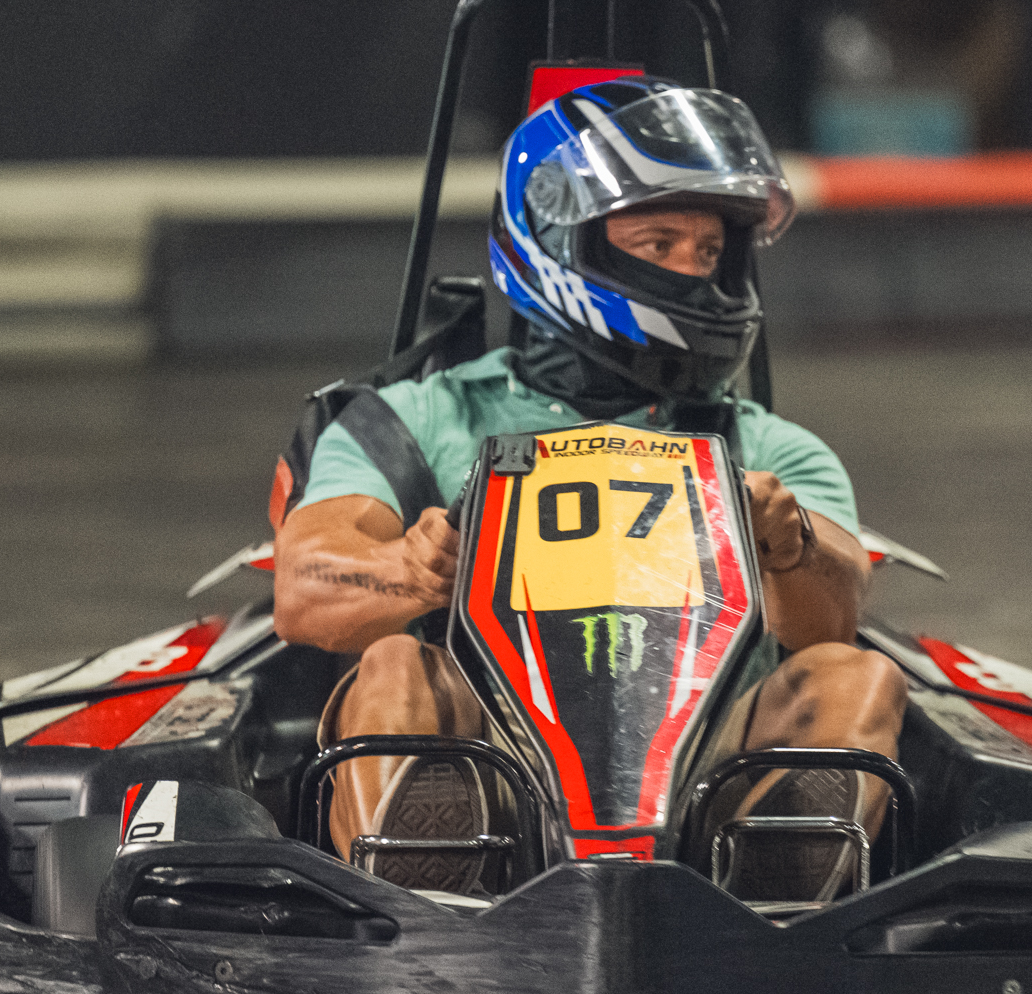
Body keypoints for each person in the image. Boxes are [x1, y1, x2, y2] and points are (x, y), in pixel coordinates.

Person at [272, 76, 906, 900]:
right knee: (395, 664)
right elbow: (303, 588)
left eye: (708, 252)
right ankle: (430, 902)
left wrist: (790, 547)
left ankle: (770, 910)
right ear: (562, 243)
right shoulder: (419, 420)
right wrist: (410, 570)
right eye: (658, 243)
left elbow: (834, 617)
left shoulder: (767, 447)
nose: (692, 272)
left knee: (855, 678)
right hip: (494, 760)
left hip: (707, 782)